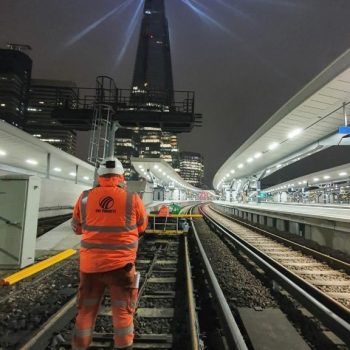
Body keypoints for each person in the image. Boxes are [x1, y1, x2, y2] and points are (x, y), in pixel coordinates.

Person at [71, 156, 148, 350]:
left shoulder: (85, 197)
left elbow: (77, 227)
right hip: (121, 268)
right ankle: (123, 346)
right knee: (122, 312)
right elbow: (141, 227)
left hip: (90, 267)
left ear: (99, 176)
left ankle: (80, 346)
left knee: (86, 311)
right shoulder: (132, 198)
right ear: (121, 176)